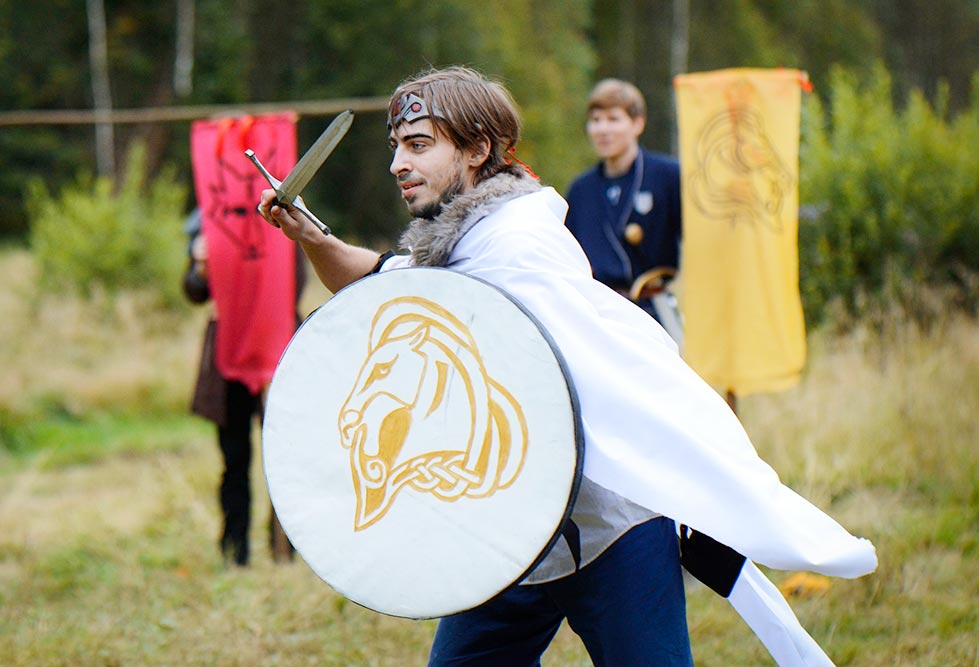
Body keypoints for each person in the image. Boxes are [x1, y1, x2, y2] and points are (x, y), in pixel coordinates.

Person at [257, 66, 876, 667]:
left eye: (419, 145)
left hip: (612, 527)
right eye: (396, 147)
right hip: (509, 532)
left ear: (477, 150)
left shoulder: (518, 247)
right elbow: (380, 283)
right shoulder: (457, 251)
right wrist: (313, 237)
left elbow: (434, 301)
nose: (398, 164)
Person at [182, 209, 306, 566]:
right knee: (234, 458)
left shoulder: (280, 215)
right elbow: (194, 290)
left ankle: (284, 550)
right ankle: (234, 551)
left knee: (282, 457)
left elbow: (293, 284)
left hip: (274, 348)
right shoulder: (213, 217)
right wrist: (201, 264)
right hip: (228, 356)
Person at [565, 79, 683, 339]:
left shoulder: (668, 176)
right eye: (596, 120)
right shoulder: (581, 190)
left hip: (655, 313)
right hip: (599, 316)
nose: (602, 129)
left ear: (637, 123)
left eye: (613, 119)